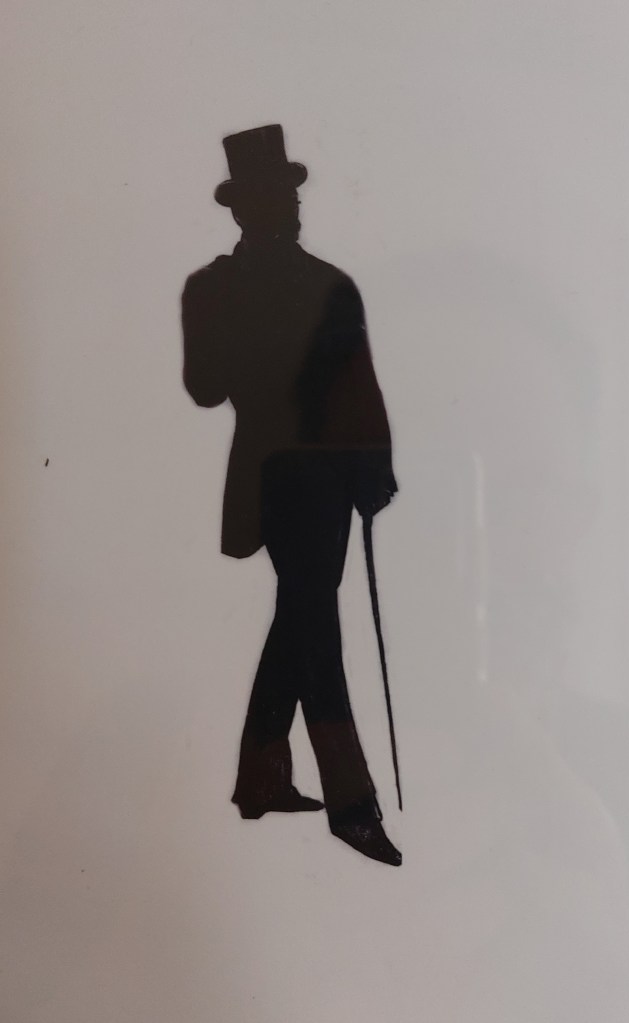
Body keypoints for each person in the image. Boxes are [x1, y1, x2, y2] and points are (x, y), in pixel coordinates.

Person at [181, 125, 401, 866]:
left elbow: (361, 384)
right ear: (246, 207)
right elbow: (204, 387)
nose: (294, 208)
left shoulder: (318, 284)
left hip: (322, 475)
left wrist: (373, 470)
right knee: (315, 627)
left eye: (294, 195)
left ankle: (261, 777)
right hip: (286, 474)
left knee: (300, 618)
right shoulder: (223, 287)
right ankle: (351, 806)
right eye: (280, 197)